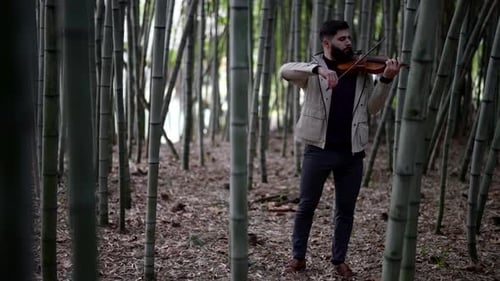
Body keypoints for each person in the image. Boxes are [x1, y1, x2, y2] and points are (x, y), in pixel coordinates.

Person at [279, 20, 401, 278]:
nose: (349, 43)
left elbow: (372, 108)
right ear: (327, 42)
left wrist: (386, 81)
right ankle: (298, 257)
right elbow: (284, 70)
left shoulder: (361, 72)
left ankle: (339, 259)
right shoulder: (312, 70)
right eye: (342, 39)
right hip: (318, 149)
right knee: (306, 206)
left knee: (345, 210)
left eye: (349, 38)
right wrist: (318, 70)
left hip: (352, 152)